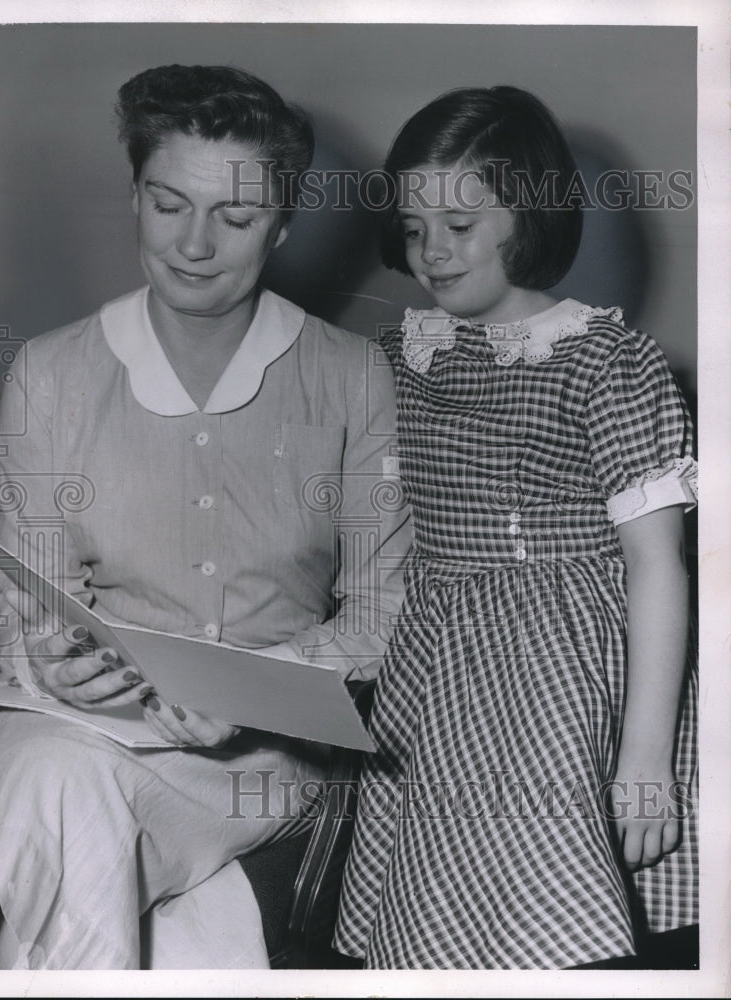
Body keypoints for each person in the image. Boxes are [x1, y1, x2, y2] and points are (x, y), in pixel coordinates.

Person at [0, 64, 410, 970]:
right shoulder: (50, 374)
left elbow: (384, 614)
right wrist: (47, 661)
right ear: (134, 194)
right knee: (44, 769)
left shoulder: (354, 375)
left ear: (283, 224)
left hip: (256, 765)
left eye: (238, 217)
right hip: (64, 728)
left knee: (55, 791)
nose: (196, 244)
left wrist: (251, 683)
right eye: (169, 203)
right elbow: (29, 603)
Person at [334, 85, 698, 969]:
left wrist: (643, 760)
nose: (430, 252)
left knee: (556, 930)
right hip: (439, 676)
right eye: (415, 228)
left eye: (460, 226)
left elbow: (658, 565)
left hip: (564, 675)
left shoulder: (608, 361)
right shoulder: (403, 356)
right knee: (445, 933)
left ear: (525, 216)